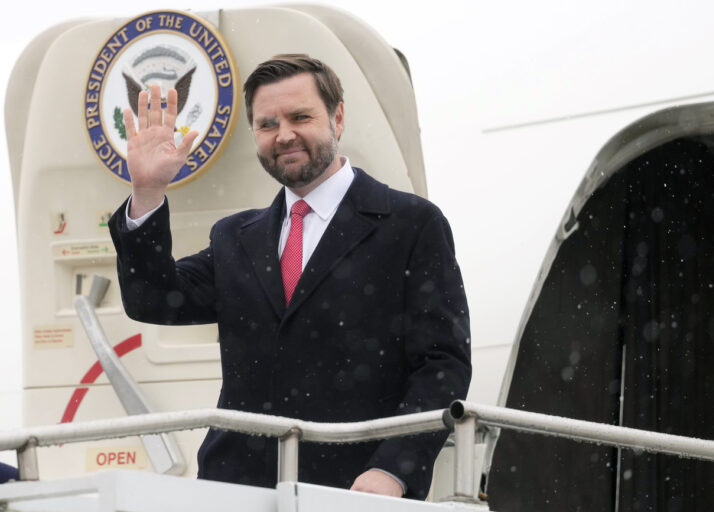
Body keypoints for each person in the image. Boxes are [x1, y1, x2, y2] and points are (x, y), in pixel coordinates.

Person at [109, 54, 471, 499]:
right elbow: (152, 299)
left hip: (355, 490)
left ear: (338, 117)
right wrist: (147, 192)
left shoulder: (410, 224)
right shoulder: (235, 238)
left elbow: (442, 364)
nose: (284, 135)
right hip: (234, 487)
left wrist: (394, 470)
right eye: (267, 124)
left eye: (301, 117)